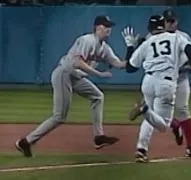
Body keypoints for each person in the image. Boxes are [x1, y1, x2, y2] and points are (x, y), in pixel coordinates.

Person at [15, 15, 127, 158]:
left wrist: (131, 48)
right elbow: (78, 62)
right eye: (105, 26)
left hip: (75, 77)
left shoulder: (104, 48)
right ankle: (25, 142)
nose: (108, 29)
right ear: (97, 27)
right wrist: (98, 74)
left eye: (109, 26)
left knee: (98, 96)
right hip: (64, 74)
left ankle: (99, 137)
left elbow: (121, 65)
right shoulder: (87, 40)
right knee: (59, 116)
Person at [122, 14, 191, 163]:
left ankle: (141, 149)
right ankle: (144, 110)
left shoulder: (147, 42)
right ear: (163, 25)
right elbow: (190, 50)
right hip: (165, 82)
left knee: (150, 116)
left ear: (150, 29)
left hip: (148, 81)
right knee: (163, 124)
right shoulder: (176, 37)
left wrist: (131, 47)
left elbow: (130, 68)